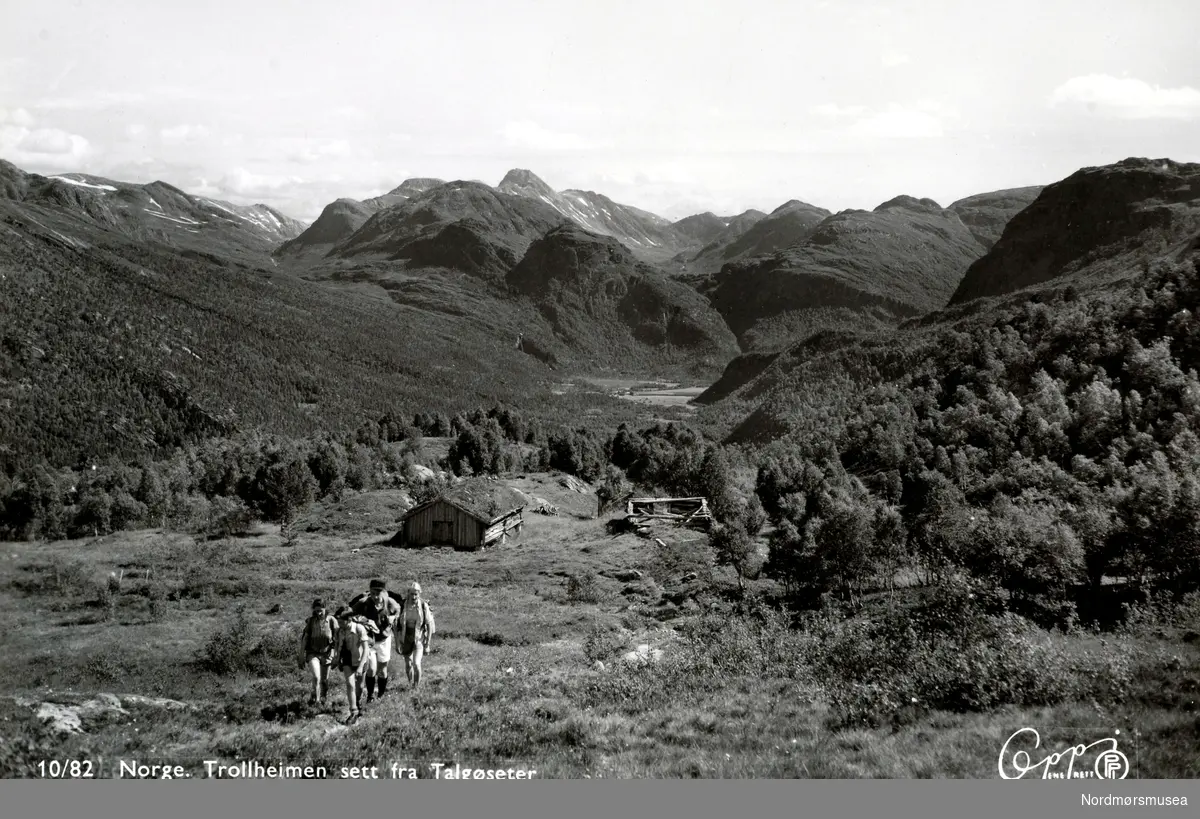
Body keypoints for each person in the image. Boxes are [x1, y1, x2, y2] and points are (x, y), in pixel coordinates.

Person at [347, 579, 401, 702]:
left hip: (384, 639)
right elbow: (350, 613)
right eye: (373, 593)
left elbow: (398, 611)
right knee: (371, 669)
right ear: (370, 591)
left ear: (384, 592)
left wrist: (393, 617)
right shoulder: (363, 603)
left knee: (382, 670)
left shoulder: (389, 602)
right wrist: (363, 620)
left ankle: (381, 695)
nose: (376, 596)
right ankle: (370, 695)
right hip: (369, 641)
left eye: (378, 593)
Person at [333, 606, 371, 725]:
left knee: (359, 686)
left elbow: (366, 650)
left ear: (348, 620)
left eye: (341, 621)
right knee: (350, 684)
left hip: (360, 660)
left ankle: (358, 703)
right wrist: (337, 660)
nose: (339, 624)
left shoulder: (359, 628)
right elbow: (337, 646)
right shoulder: (339, 631)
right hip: (347, 660)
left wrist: (360, 667)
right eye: (338, 621)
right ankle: (353, 711)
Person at [298, 598, 338, 705]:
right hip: (313, 653)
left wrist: (336, 655)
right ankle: (316, 701)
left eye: (321, 610)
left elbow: (338, 638)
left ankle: (322, 699)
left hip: (327, 653)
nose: (319, 613)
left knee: (324, 681)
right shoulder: (311, 621)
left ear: (325, 609)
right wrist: (301, 655)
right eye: (316, 611)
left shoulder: (331, 621)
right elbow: (305, 638)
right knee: (316, 677)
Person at [398, 581, 436, 691]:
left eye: (416, 594)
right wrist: (398, 641)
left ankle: (416, 687)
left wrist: (427, 644)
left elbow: (429, 625)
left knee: (416, 664)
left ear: (419, 594)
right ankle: (410, 684)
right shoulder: (402, 605)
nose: (414, 596)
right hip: (405, 637)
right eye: (412, 594)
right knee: (408, 664)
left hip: (419, 638)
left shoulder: (423, 605)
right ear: (408, 593)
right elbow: (396, 624)